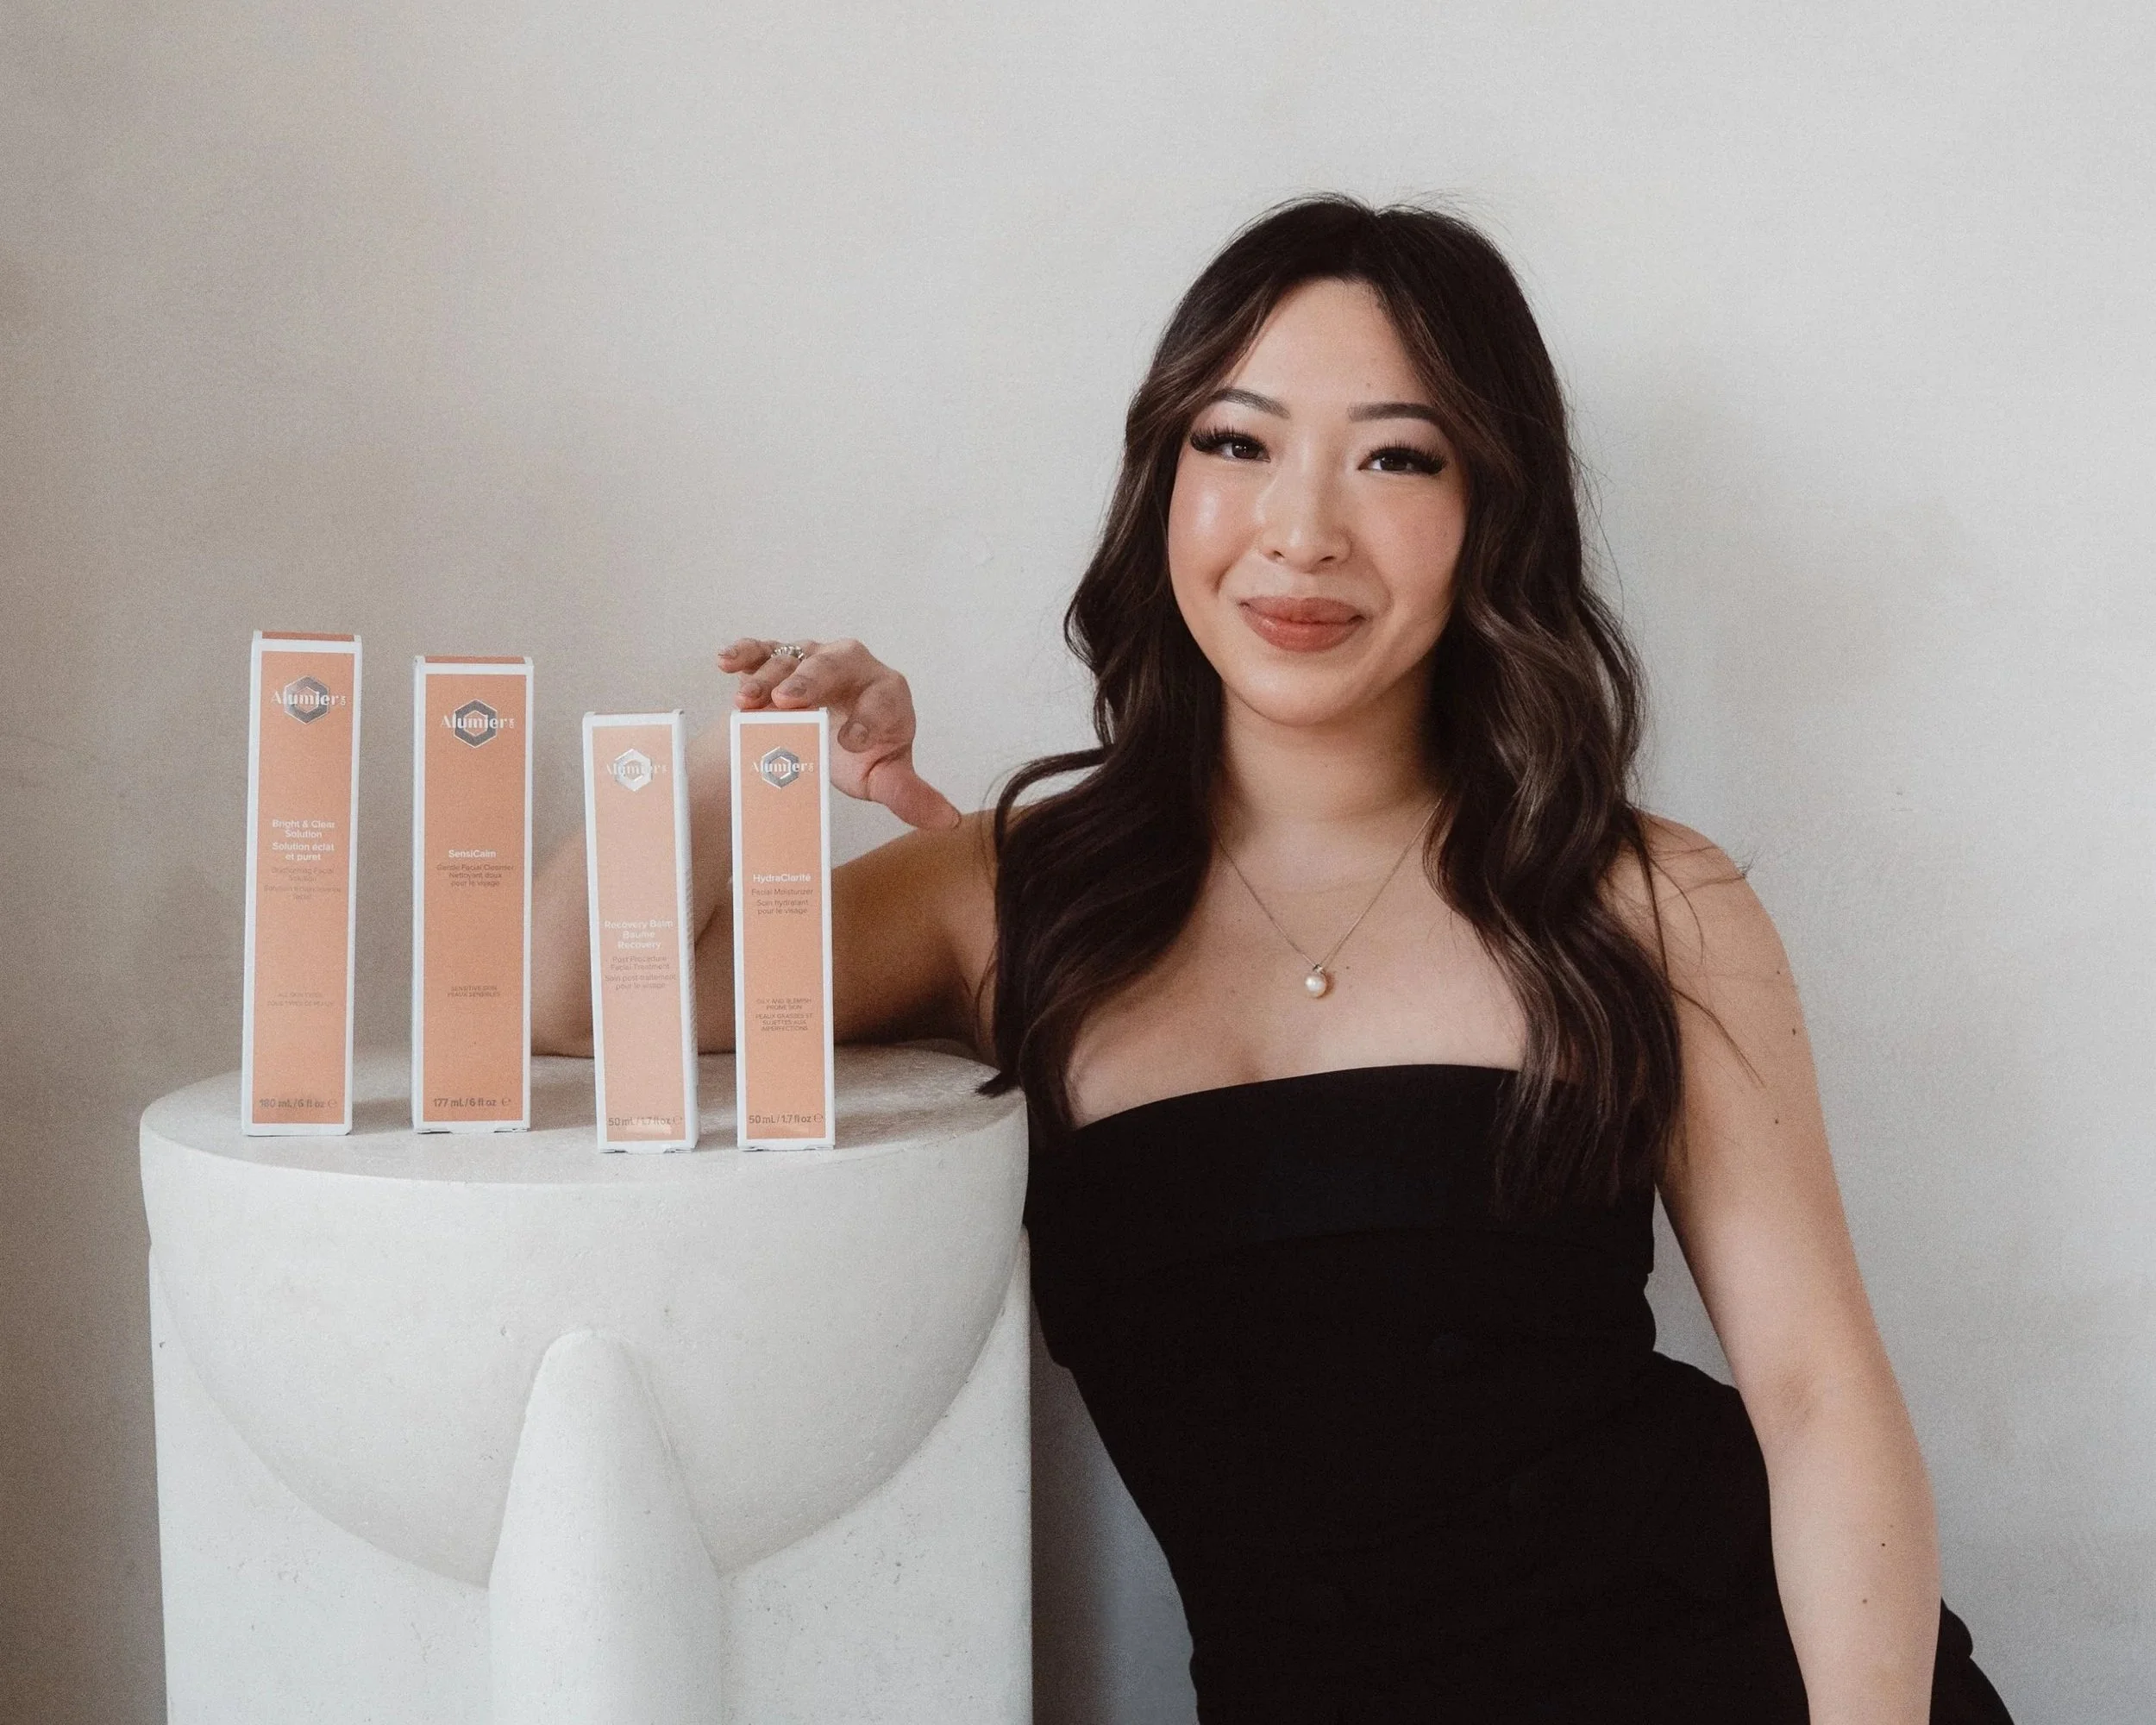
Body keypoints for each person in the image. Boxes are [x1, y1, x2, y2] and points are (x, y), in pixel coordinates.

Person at [532, 196, 2015, 1723]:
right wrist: (746, 760)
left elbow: (1818, 1398)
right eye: (1238, 444)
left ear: (1490, 511)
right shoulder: (1011, 893)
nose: (1302, 530)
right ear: (1163, 480)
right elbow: (576, 1006)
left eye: (1396, 456)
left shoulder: (1640, 898)